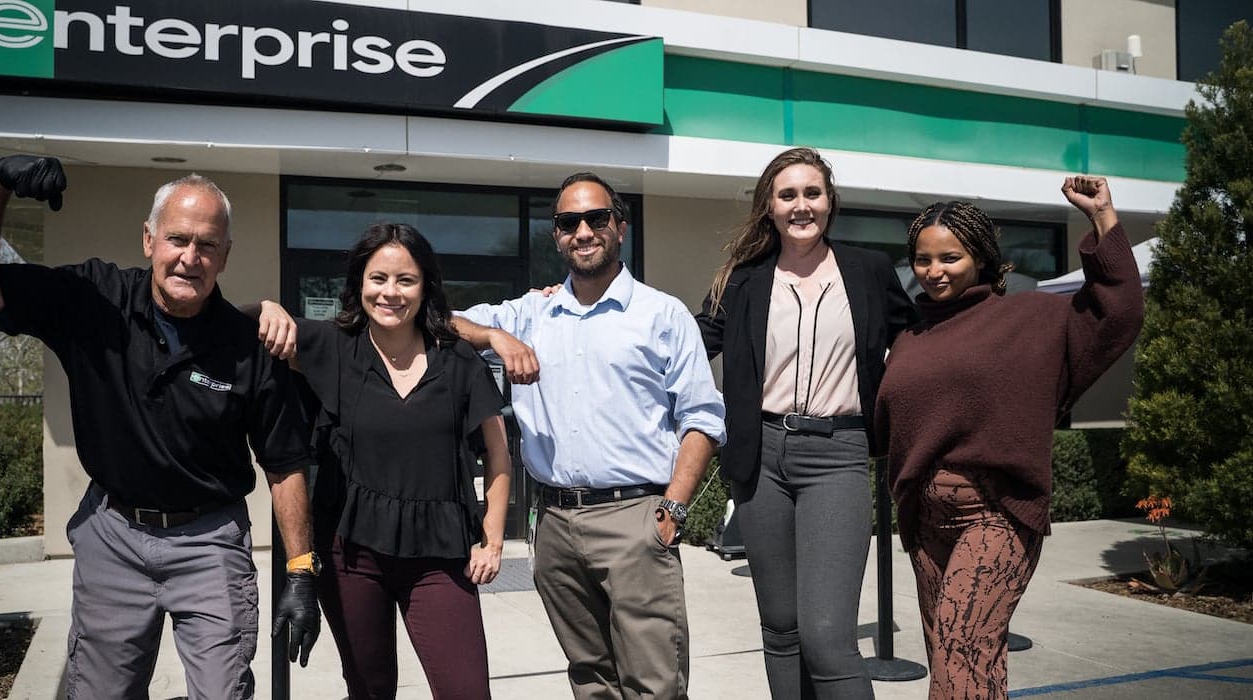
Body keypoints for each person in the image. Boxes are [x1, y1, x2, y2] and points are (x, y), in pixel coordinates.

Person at [0, 155, 321, 700]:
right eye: (178, 239)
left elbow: (285, 466)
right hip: (112, 535)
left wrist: (302, 572)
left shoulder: (249, 348)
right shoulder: (92, 300)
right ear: (149, 240)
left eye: (208, 244)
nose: (191, 257)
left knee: (223, 692)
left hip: (209, 541)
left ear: (225, 255)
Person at [453, 172, 726, 699]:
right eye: (568, 222)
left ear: (620, 228)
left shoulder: (662, 315)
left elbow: (703, 418)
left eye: (596, 218)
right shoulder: (530, 312)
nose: (583, 231)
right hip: (554, 523)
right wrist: (493, 335)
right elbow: (431, 320)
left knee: (654, 684)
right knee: (591, 680)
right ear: (556, 235)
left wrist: (674, 511)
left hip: (637, 519)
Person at [875, 176, 1143, 698]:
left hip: (997, 514)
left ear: (980, 257)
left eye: (949, 257)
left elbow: (1119, 313)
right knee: (969, 662)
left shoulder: (1034, 317)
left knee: (959, 655)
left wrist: (1103, 218)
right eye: (923, 260)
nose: (934, 271)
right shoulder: (909, 337)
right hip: (925, 522)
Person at [255, 222, 512, 699]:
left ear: (425, 287)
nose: (390, 292)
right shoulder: (331, 346)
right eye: (378, 279)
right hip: (352, 554)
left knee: (466, 691)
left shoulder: (459, 361)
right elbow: (226, 320)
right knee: (370, 690)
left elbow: (498, 453)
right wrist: (266, 307)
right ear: (359, 284)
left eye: (405, 280)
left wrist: (492, 539)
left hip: (441, 556)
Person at [695, 147, 916, 699]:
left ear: (830, 201)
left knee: (826, 637)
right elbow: (689, 343)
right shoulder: (743, 280)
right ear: (768, 206)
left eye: (812, 193)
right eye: (788, 194)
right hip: (761, 458)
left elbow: (921, 342)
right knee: (782, 630)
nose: (801, 206)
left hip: (838, 455)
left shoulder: (868, 270)